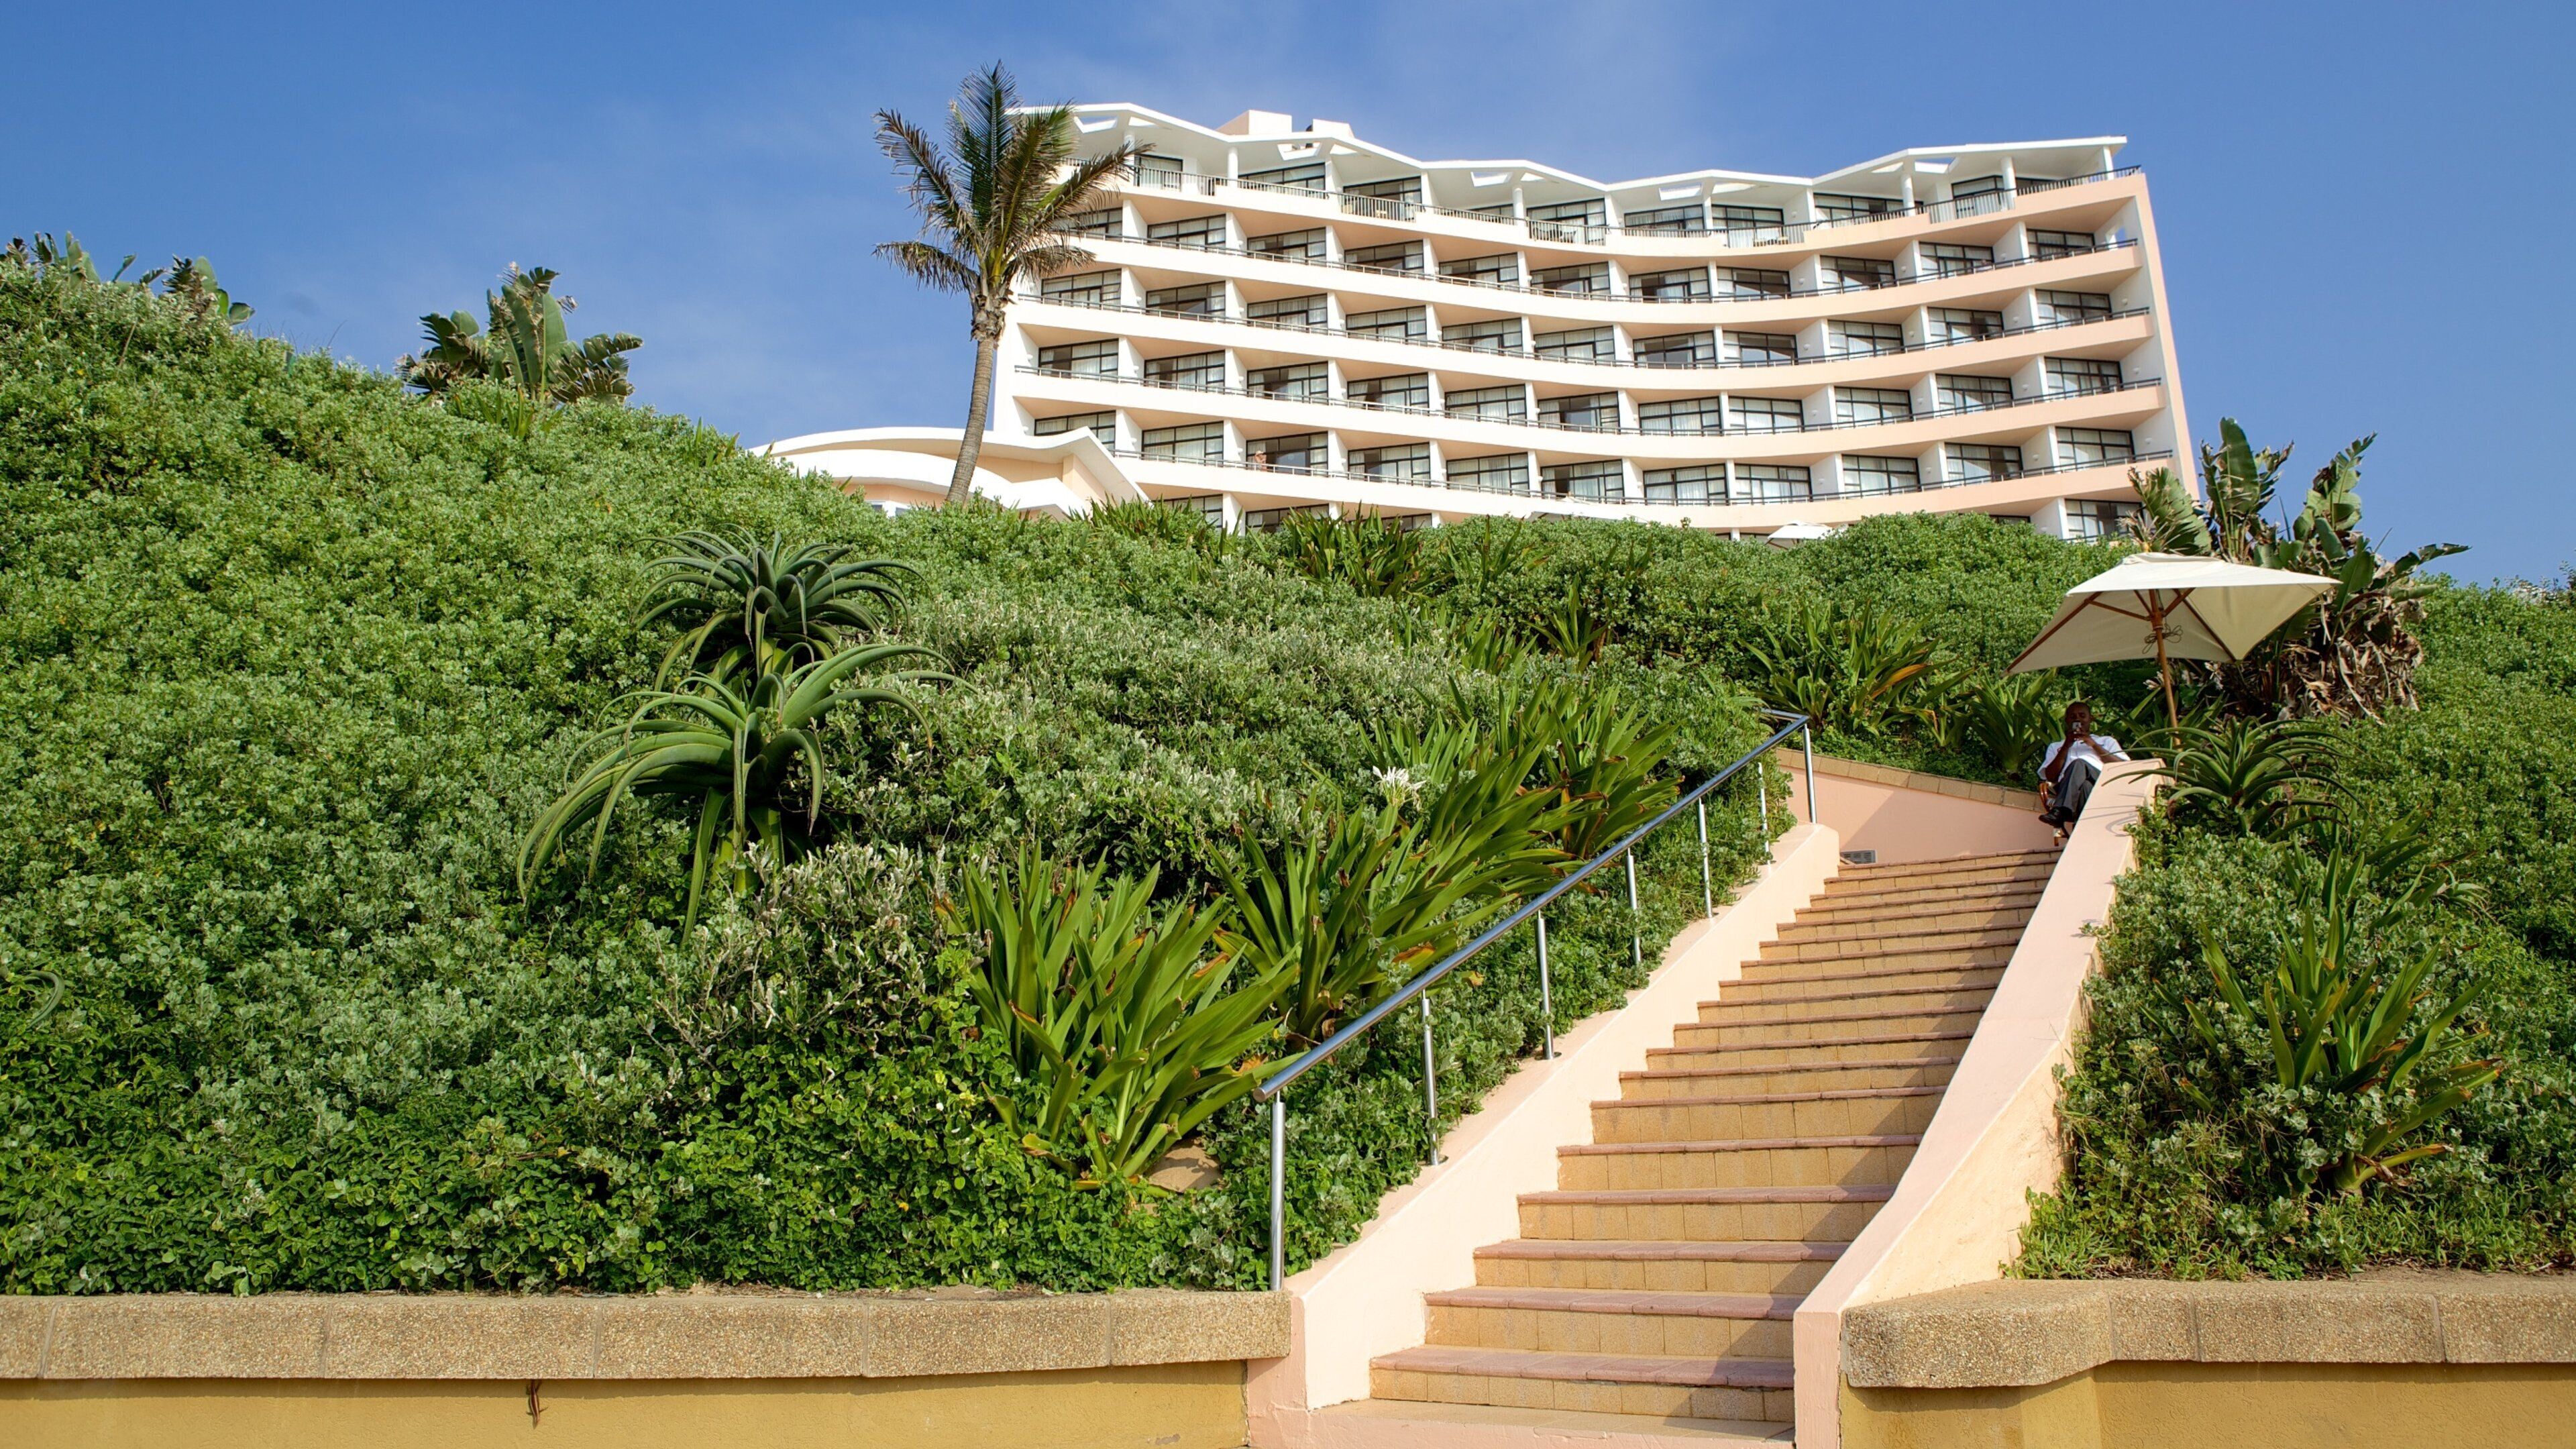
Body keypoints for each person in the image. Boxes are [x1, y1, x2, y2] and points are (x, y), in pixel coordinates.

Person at [2037, 702, 2127, 840]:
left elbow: (2122, 767)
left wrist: (2093, 745)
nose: (2077, 720)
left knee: (2079, 763)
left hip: (2102, 785)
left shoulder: (2106, 741)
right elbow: (2050, 776)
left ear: (2091, 719)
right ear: (2067, 721)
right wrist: (2067, 746)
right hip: (2072, 791)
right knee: (2085, 785)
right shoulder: (2056, 746)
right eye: (2073, 717)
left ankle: (2060, 811)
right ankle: (2083, 838)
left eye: (2082, 716)